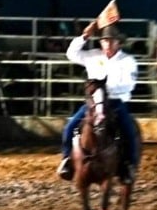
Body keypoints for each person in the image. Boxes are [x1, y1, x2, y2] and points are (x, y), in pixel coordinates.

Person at [56, 23, 141, 184]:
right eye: (104, 41)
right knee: (70, 127)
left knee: (129, 131)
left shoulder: (128, 61)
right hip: (93, 103)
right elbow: (71, 53)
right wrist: (84, 37)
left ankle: (129, 165)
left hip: (116, 102)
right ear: (100, 42)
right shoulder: (93, 55)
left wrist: (103, 88)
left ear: (118, 43)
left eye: (111, 41)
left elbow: (130, 84)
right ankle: (67, 159)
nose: (108, 44)